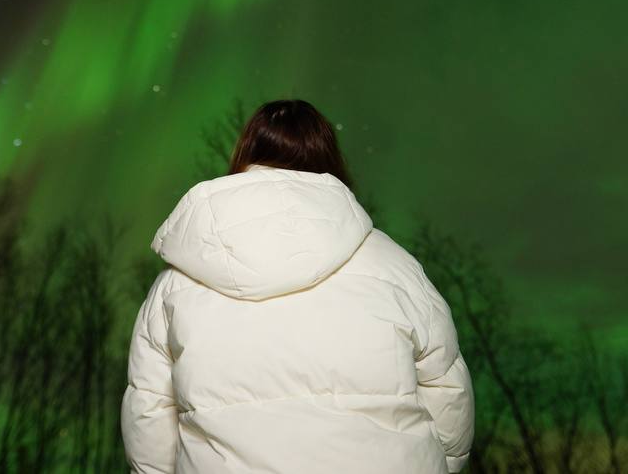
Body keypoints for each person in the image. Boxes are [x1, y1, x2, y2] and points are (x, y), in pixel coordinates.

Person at [121, 99, 474, 473]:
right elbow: (446, 392)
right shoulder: (396, 265)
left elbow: (150, 416)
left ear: (244, 156)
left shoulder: (177, 282)